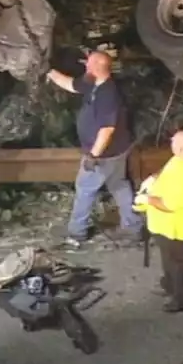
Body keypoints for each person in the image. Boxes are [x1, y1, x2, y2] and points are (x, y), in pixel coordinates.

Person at [45, 50, 144, 247]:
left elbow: (107, 129)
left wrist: (93, 155)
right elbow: (71, 85)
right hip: (118, 150)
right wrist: (49, 72)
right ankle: (134, 227)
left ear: (98, 68)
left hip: (104, 154)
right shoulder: (92, 83)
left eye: (89, 65)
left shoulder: (108, 94)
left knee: (85, 189)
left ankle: (77, 232)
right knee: (119, 185)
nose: (85, 68)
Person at [136, 128, 183, 312]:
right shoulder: (181, 159)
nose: (171, 144)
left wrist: (146, 199)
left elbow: (170, 204)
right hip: (166, 225)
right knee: (169, 257)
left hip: (178, 226)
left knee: (177, 261)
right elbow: (167, 170)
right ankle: (171, 285)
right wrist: (153, 179)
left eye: (174, 142)